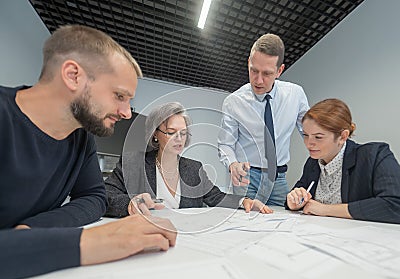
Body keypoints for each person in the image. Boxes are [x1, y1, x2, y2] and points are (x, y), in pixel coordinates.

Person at [0, 24, 142, 229]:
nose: (127, 113)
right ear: (73, 75)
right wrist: (88, 243)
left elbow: (94, 197)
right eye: (119, 96)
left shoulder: (81, 137)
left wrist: (31, 231)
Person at [105, 102, 271, 217]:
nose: (179, 138)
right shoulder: (133, 164)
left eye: (183, 133)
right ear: (155, 134)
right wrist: (129, 203)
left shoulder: (194, 168)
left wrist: (245, 201)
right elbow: (105, 195)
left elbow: (216, 197)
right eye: (171, 132)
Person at [218, 33, 309, 207]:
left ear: (280, 70)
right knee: (246, 226)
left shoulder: (295, 95)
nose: (258, 80)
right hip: (247, 178)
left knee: (284, 224)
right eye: (254, 70)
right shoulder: (234, 102)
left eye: (267, 73)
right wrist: (233, 164)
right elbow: (225, 144)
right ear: (248, 63)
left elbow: (310, 131)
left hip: (279, 177)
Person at [286, 98, 400, 224]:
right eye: (306, 135)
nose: (309, 143)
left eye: (318, 137)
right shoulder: (313, 162)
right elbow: (299, 197)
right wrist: (293, 202)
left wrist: (326, 210)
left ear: (343, 136)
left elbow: (394, 205)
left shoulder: (374, 155)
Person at [0, 213, 177, 279]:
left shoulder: (83, 141)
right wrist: (83, 240)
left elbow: (94, 196)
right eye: (170, 131)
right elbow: (108, 196)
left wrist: (31, 227)